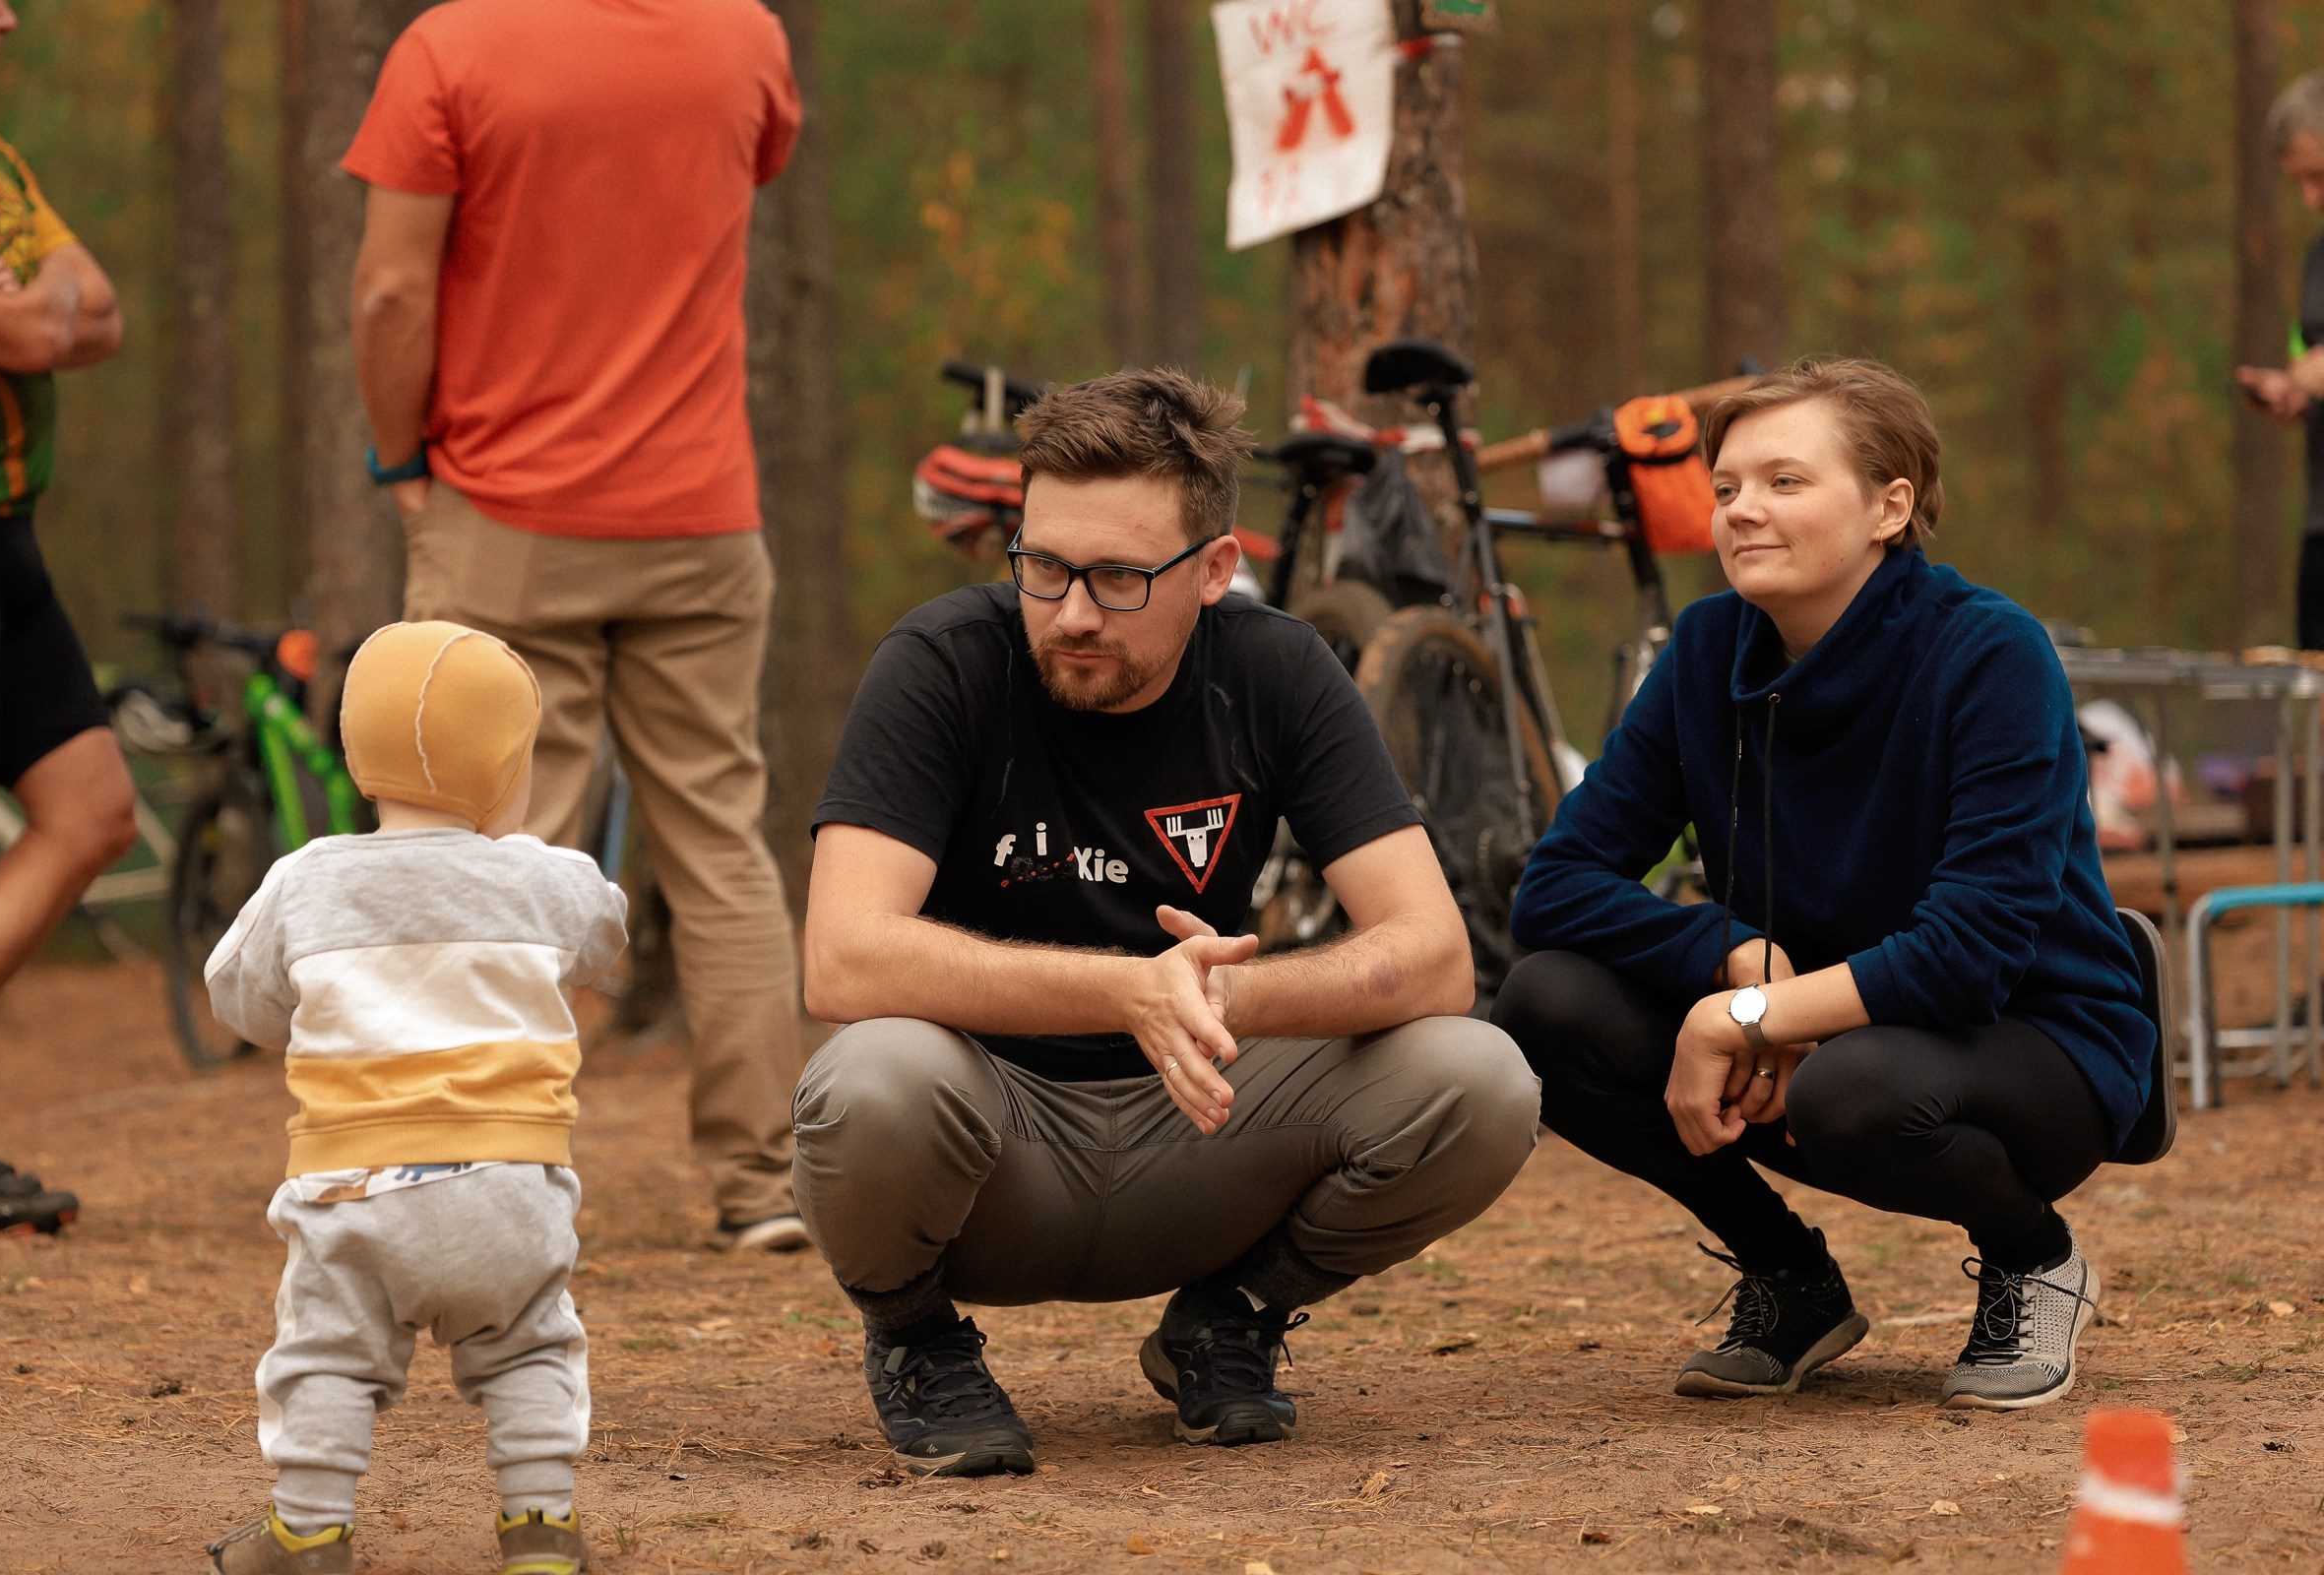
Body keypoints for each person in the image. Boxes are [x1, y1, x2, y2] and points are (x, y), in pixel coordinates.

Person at [795, 368, 1541, 1479]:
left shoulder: (1278, 668)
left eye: (1118, 576)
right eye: (1043, 567)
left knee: (1482, 1079)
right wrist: (1124, 988)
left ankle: (1231, 1316)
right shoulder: (941, 661)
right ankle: (915, 1337)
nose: (1075, 611)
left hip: (1204, 1119)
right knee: (872, 1074)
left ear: (1215, 571)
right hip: (994, 1147)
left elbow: (1432, 952)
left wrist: (1221, 996)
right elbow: (844, 958)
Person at [1494, 358, 2154, 1413]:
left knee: (1856, 1089)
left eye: (1785, 482)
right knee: (1544, 1001)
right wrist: (1732, 957)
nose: (1743, 510)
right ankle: (1790, 1278)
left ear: (1890, 504)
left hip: (2034, 1043)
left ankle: (2035, 1257)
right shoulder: (1708, 650)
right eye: (1726, 488)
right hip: (1821, 1019)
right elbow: (1556, 886)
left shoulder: (1991, 653)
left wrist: (1748, 1016)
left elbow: (1972, 949)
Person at [343, 0, 810, 1250]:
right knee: (720, 841)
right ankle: (767, 1181)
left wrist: (404, 470)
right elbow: (741, 167)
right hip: (704, 515)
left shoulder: (450, 49)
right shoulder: (744, 39)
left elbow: (392, 292)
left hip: (506, 512)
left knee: (487, 843)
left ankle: (473, 1170)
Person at [204, 622, 627, 1575]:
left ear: (359, 757)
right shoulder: (548, 881)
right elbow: (606, 939)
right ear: (504, 766)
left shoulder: (305, 880)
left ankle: (308, 1532)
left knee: (328, 1357)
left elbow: (237, 994)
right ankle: (541, 1530)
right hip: (512, 1185)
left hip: (355, 1185)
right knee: (526, 1350)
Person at [0, 0, 128, 1235]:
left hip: (10, 539)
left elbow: (95, 311)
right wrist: (37, 306)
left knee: (92, 810)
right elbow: (31, 322)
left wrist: (43, 303)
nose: (8, 17)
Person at [2237, 71, 2324, 650]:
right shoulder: (2318, 255)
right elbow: (2308, 352)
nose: (2311, 199)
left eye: (2318, 176)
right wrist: (2294, 393)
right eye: (2300, 183)